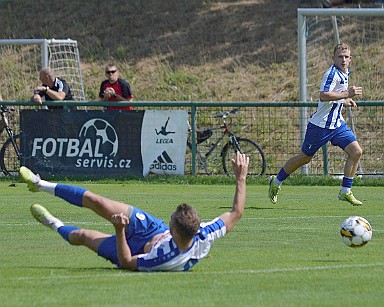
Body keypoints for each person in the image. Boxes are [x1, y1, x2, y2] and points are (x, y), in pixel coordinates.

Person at [19, 151, 249, 272]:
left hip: (132, 250)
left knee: (82, 236)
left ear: (175, 231)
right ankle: (40, 184)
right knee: (95, 200)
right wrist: (240, 177)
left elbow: (128, 261)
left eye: (170, 220)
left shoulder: (163, 259)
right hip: (151, 229)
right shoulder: (202, 234)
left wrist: (119, 231)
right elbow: (236, 213)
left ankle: (52, 223)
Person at [269, 43, 363, 206]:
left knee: (356, 152)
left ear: (350, 59)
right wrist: (347, 93)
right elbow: (323, 96)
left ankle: (345, 191)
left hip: (337, 124)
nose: (343, 59)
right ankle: (276, 182)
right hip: (320, 126)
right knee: (304, 158)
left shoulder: (345, 73)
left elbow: (335, 95)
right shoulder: (331, 74)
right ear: (333, 58)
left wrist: (344, 100)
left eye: (346, 57)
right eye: (340, 56)